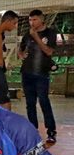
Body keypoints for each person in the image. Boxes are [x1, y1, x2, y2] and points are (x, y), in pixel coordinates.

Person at [18, 9, 58, 145]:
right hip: (27, 72)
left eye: (34, 19)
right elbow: (20, 49)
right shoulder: (27, 35)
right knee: (30, 103)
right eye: (30, 20)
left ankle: (51, 131)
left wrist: (36, 37)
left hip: (41, 73)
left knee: (44, 101)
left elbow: (48, 51)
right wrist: (21, 55)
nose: (31, 22)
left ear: (41, 19)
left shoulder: (50, 33)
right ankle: (32, 129)